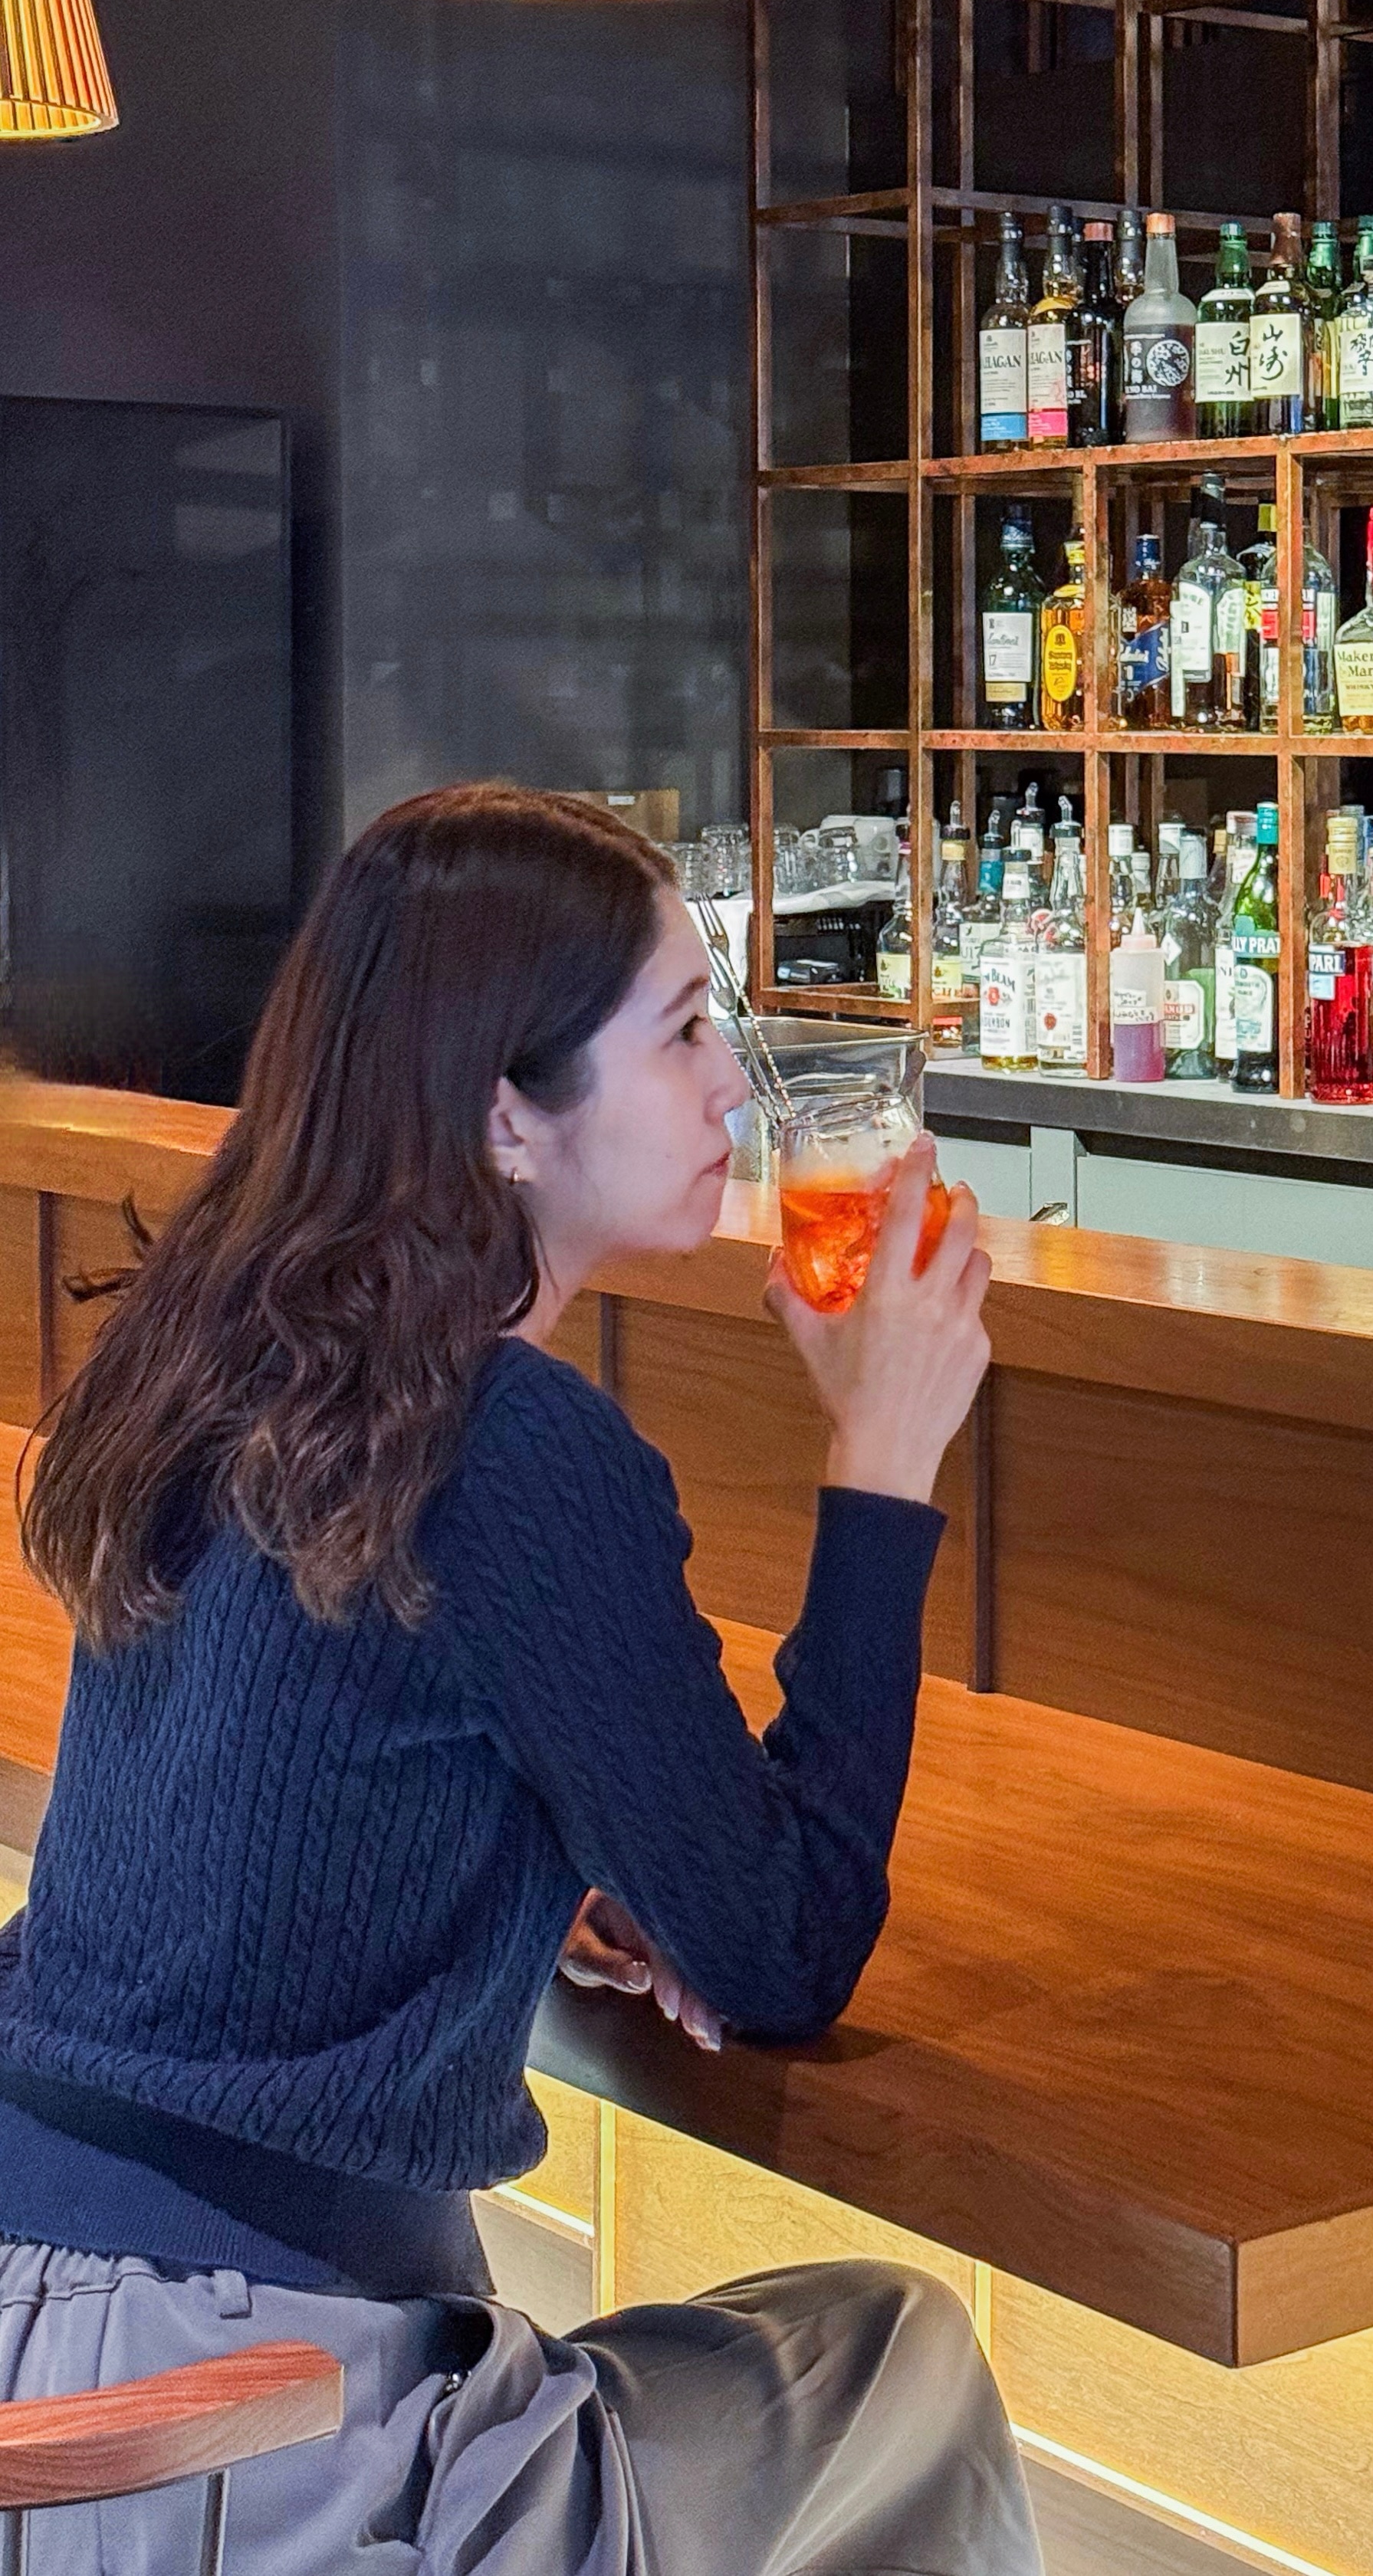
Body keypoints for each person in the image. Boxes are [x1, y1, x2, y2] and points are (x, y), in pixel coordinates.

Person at [0, 785, 1040, 2574]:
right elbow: (784, 1952)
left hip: (42, 2333)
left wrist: (541, 1872)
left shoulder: (223, 1348)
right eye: (686, 1031)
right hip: (245, 2423)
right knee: (899, 2360)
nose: (732, 1090)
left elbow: (297, 1770)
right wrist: (883, 1458)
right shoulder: (507, 1437)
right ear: (506, 1110)